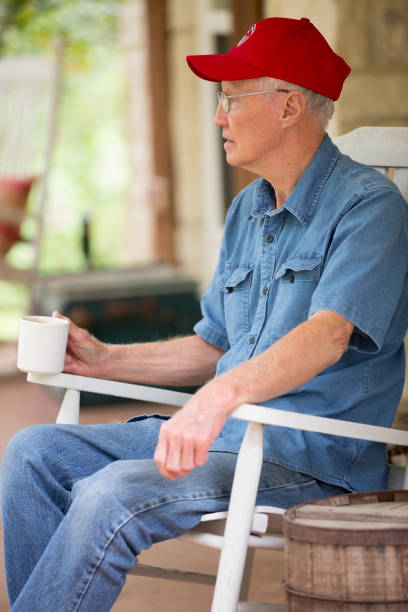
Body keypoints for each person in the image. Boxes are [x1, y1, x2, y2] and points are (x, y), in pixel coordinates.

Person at [1, 15, 407, 612]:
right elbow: (215, 344)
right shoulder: (249, 208)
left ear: (290, 107)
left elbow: (327, 335)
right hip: (225, 441)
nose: (219, 116)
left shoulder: (371, 209)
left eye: (231, 99)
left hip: (305, 457)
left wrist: (214, 400)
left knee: (110, 493)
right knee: (32, 452)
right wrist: (106, 361)